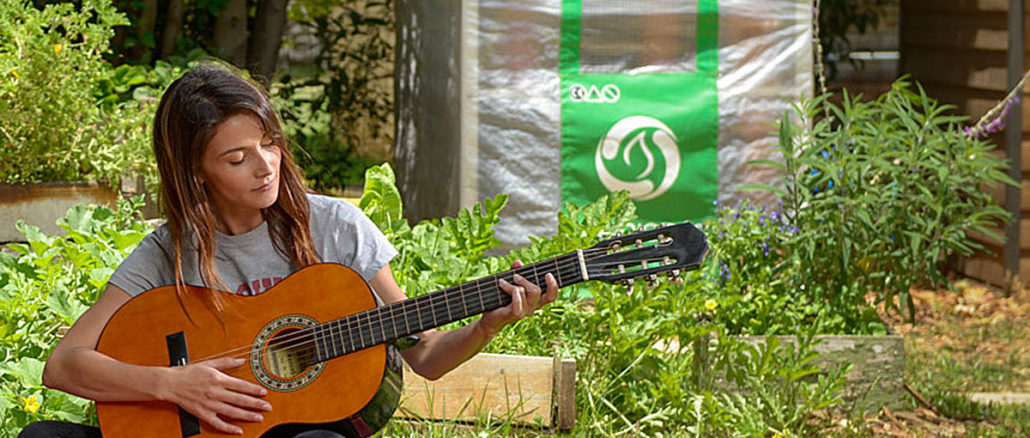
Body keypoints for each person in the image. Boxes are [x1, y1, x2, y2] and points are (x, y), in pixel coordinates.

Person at [20, 64, 558, 438]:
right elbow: (64, 365)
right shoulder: (169, 251)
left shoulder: (336, 227)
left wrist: (486, 325)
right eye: (237, 159)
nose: (265, 166)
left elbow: (427, 357)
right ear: (195, 174)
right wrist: (174, 384)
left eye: (269, 143)